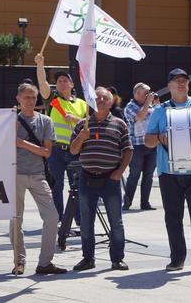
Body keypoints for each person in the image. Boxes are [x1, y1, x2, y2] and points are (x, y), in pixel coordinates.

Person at [146, 68, 191, 273]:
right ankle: (177, 258)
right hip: (168, 172)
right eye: (176, 81)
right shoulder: (160, 110)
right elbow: (148, 141)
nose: (181, 84)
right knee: (172, 216)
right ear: (168, 86)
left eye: (184, 81)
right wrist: (160, 137)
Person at [70, 87, 133, 271]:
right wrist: (81, 137)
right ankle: (88, 259)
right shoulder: (83, 124)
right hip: (87, 178)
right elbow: (73, 151)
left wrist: (120, 172)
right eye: (97, 98)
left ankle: (117, 258)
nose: (101, 100)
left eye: (105, 98)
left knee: (116, 221)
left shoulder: (119, 124)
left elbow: (128, 150)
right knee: (86, 221)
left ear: (111, 101)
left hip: (110, 179)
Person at [10, 83, 67, 276]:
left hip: (38, 174)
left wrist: (21, 143)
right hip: (15, 174)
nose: (30, 101)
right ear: (18, 99)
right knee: (16, 219)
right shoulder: (9, 121)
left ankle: (45, 262)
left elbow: (47, 151)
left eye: (33, 97)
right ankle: (19, 261)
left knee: (52, 216)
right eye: (26, 97)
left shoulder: (45, 121)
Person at [35, 53, 88, 222]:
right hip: (56, 150)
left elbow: (88, 124)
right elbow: (42, 84)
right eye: (59, 81)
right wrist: (40, 65)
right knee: (56, 186)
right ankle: (58, 218)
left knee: (77, 186)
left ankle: (79, 218)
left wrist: (75, 119)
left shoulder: (82, 104)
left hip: (74, 150)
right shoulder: (52, 99)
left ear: (72, 84)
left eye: (65, 80)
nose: (62, 83)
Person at [123, 82, 159, 211]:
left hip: (151, 144)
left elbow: (158, 119)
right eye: (146, 93)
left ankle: (145, 203)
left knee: (148, 175)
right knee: (134, 174)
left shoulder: (149, 106)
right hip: (137, 145)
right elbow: (139, 117)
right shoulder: (130, 106)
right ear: (137, 93)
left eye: (149, 92)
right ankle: (127, 202)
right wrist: (148, 103)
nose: (149, 95)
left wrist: (156, 105)